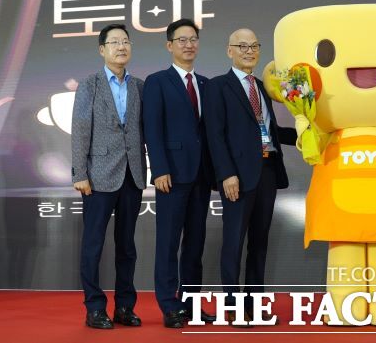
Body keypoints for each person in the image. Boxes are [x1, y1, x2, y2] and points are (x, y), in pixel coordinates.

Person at [204, 28, 296, 327]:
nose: (249, 51)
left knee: (259, 243)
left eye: (254, 46)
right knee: (233, 242)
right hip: (238, 176)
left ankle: (253, 305)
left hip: (268, 171)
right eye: (242, 46)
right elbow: (215, 134)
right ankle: (232, 305)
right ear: (229, 50)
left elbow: (268, 129)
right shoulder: (218, 86)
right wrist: (226, 174)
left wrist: (306, 134)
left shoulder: (261, 87)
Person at [71, 23, 146, 329]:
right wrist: (80, 173)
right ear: (102, 50)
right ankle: (94, 308)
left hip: (132, 175)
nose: (121, 46)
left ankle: (125, 307)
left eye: (125, 41)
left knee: (127, 246)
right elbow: (80, 129)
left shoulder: (140, 86)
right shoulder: (89, 85)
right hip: (97, 176)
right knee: (93, 244)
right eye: (114, 42)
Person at [143, 18, 216, 328]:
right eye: (182, 40)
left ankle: (191, 303)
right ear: (169, 45)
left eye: (193, 39)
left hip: (201, 175)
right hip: (171, 175)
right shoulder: (157, 81)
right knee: (168, 243)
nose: (189, 45)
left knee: (195, 244)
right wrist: (159, 169)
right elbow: (152, 129)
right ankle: (169, 305)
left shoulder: (207, 84)